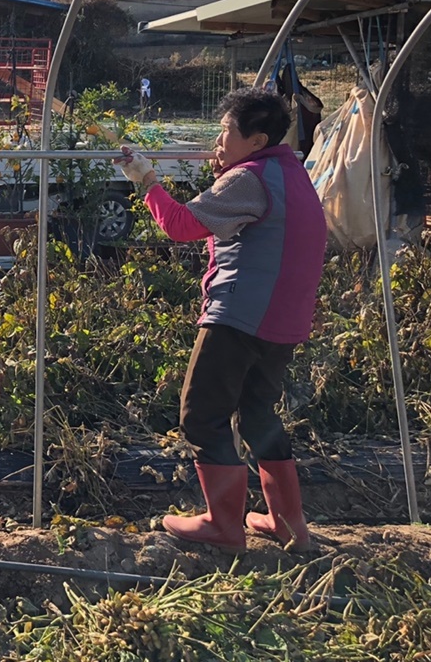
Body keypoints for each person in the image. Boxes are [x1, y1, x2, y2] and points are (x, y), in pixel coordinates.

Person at [118, 87, 327, 554]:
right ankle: (288, 526)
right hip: (284, 320)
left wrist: (145, 179)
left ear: (256, 141)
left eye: (226, 132)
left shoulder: (248, 179)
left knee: (202, 415)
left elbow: (180, 226)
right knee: (257, 415)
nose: (217, 140)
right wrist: (225, 171)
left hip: (240, 315)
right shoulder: (289, 171)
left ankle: (223, 524)